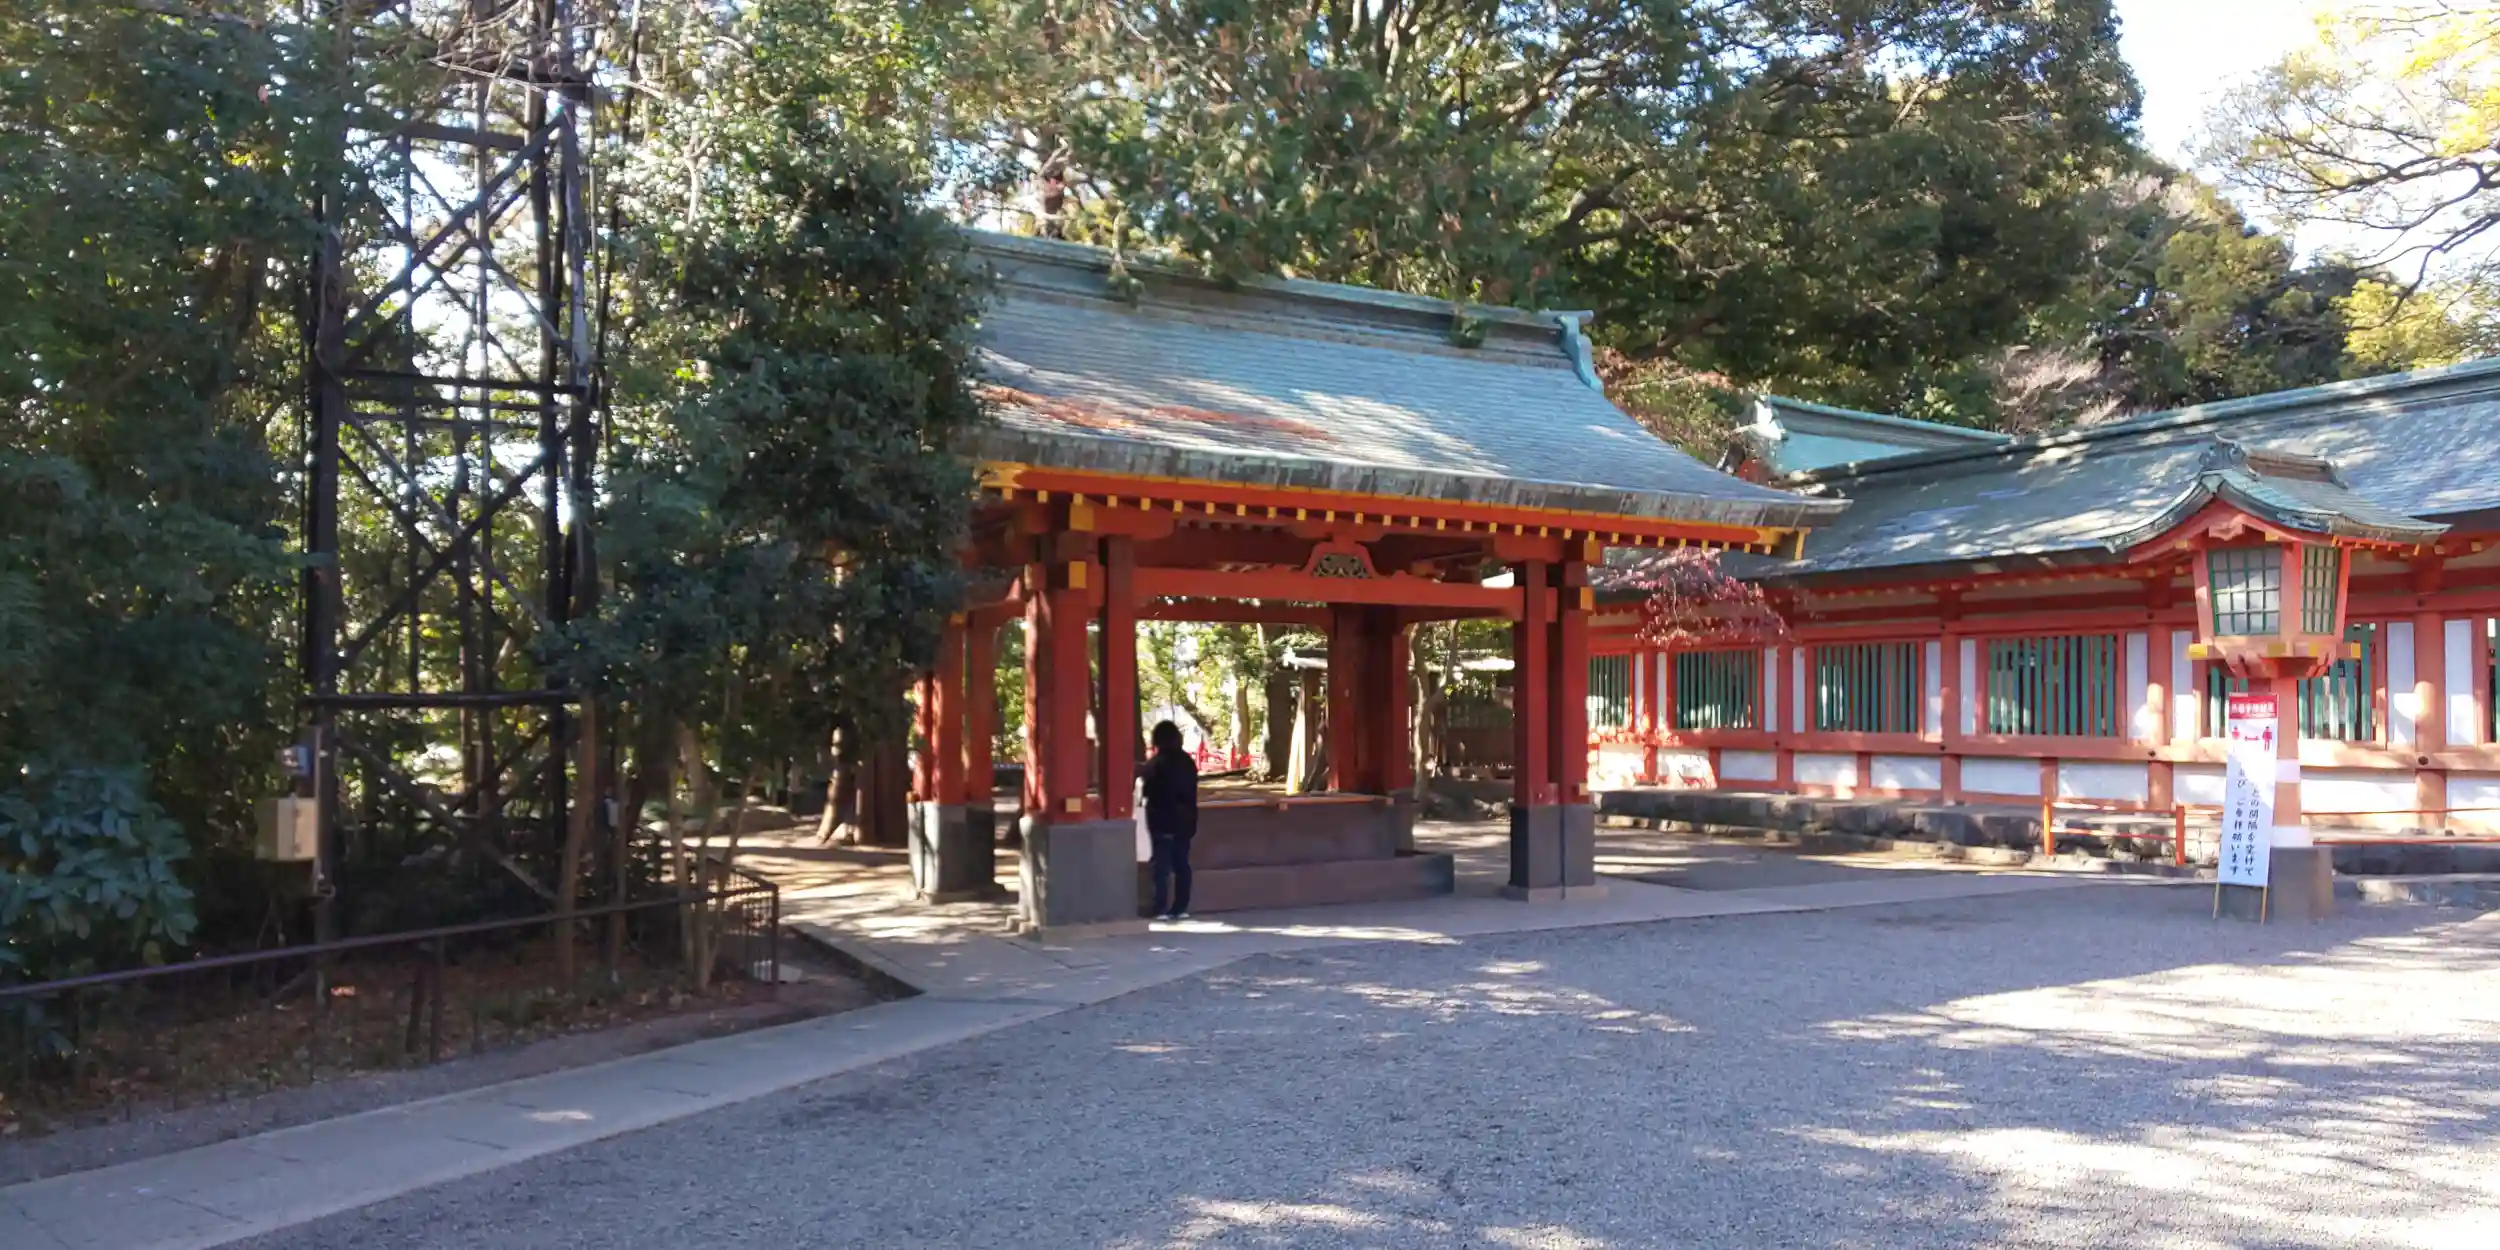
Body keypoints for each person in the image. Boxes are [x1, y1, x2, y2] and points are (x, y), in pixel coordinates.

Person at [1140, 719, 1198, 920]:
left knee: (1161, 866)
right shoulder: (1188, 762)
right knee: (1182, 864)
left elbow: (1147, 790)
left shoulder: (1156, 764)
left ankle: (1160, 907)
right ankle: (1181, 907)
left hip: (1161, 820)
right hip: (1185, 821)